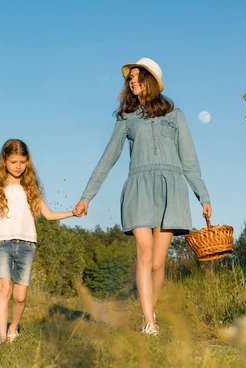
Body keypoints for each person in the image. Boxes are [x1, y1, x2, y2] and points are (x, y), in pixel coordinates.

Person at [73, 58, 212, 336]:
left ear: (151, 80)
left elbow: (189, 159)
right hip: (139, 188)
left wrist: (203, 196)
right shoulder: (126, 118)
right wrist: (87, 196)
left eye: (137, 76)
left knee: (159, 263)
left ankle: (151, 309)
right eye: (129, 78)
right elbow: (107, 159)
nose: (132, 81)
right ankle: (149, 320)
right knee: (144, 254)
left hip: (170, 188)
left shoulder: (176, 115)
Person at [0, 139, 79, 343]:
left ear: (27, 161)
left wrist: (72, 213)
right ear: (4, 161)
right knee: (4, 289)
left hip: (27, 244)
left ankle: (13, 327)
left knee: (19, 296)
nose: (18, 166)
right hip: (2, 243)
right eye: (13, 162)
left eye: (22, 161)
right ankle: (2, 338)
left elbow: (48, 214)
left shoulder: (31, 187)